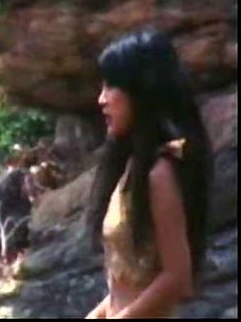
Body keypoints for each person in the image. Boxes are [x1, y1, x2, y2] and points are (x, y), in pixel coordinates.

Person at [85, 29, 212, 318]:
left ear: (141, 93)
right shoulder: (132, 168)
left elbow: (178, 278)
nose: (101, 99)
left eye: (112, 86)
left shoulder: (160, 173)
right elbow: (127, 285)